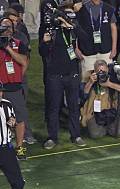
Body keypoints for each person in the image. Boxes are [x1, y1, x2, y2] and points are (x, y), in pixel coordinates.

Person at [39, 4, 85, 149]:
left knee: (73, 106)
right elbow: (43, 52)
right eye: (67, 16)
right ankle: (52, 137)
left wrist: (70, 26)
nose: (70, 18)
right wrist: (45, 42)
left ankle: (76, 135)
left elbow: (85, 37)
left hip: (72, 74)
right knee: (54, 108)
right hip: (55, 76)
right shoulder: (51, 30)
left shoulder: (73, 29)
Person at [0, 17, 29, 159]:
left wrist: (8, 48)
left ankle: (19, 147)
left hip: (14, 88)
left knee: (19, 118)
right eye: (3, 27)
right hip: (0, 89)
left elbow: (24, 62)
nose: (6, 30)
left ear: (13, 29)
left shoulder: (19, 44)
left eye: (8, 27)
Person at [81, 60, 120, 138]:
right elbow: (83, 94)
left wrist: (109, 84)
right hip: (95, 113)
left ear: (107, 69)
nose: (102, 74)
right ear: (94, 71)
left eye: (103, 71)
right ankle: (106, 128)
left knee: (119, 133)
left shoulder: (113, 76)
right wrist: (90, 82)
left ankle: (108, 127)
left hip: (111, 111)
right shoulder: (89, 77)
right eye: (99, 71)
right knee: (95, 134)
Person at [75, 0, 118, 82]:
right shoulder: (80, 8)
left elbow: (113, 28)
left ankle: (107, 95)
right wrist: (76, 48)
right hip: (87, 51)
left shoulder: (108, 8)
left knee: (107, 79)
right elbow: (75, 29)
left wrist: (114, 48)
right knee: (87, 80)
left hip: (105, 50)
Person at [0, 83, 24, 189]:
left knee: (19, 183)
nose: (0, 94)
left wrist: (12, 123)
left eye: (1, 92)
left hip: (5, 149)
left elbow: (13, 122)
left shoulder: (7, 105)